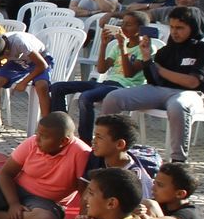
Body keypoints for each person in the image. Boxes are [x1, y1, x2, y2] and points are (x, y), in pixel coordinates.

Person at [99, 6, 204, 164]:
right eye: (172, 27)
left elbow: (192, 81)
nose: (175, 32)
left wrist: (160, 70)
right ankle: (107, 150)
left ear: (193, 27)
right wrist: (148, 59)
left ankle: (178, 161)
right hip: (160, 90)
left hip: (195, 95)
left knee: (177, 104)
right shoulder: (166, 51)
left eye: (180, 28)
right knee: (113, 98)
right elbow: (153, 80)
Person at [51, 11, 151, 143]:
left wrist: (123, 49)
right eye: (123, 24)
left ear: (140, 29)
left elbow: (129, 74)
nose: (123, 27)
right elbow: (102, 69)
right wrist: (104, 44)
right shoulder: (118, 45)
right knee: (57, 87)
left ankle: (85, 141)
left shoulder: (146, 48)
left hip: (124, 88)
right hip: (107, 83)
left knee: (85, 97)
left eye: (128, 25)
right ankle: (61, 129)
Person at [0, 30, 54, 135]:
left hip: (40, 59)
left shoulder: (21, 42)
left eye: (0, 58)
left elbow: (42, 65)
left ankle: (47, 125)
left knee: (42, 85)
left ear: (6, 52)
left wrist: (24, 82)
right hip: (18, 62)